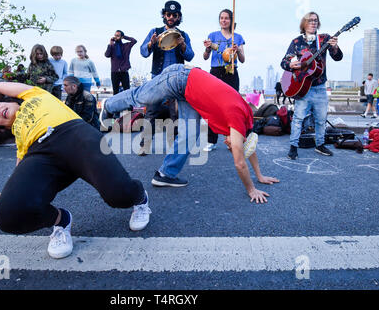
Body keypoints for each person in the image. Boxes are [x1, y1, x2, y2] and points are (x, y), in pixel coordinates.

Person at [0, 81, 151, 259]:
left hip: (75, 135)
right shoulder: (20, 138)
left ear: (9, 100)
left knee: (119, 196)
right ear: (3, 127)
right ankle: (60, 220)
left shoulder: (33, 94)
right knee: (8, 215)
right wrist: (9, 194)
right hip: (41, 154)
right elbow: (19, 166)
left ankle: (139, 197)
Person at [100, 64, 279, 203]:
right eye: (233, 144)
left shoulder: (244, 123)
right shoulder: (236, 121)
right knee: (141, 96)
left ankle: (166, 174)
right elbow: (240, 163)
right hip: (180, 77)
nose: (230, 146)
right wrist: (251, 189)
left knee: (190, 133)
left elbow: (248, 149)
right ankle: (109, 105)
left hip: (189, 90)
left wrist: (260, 176)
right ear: (239, 135)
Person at [280, 12, 343, 160]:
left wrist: (335, 47)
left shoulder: (324, 39)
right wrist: (290, 64)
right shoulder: (296, 42)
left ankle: (320, 145)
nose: (313, 23)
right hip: (302, 86)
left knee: (321, 119)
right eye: (310, 21)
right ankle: (293, 147)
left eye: (315, 21)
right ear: (304, 24)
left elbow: (338, 57)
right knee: (298, 119)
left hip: (320, 87)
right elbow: (284, 62)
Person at [138, 0, 194, 156]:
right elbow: (143, 52)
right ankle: (145, 145)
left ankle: (174, 147)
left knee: (176, 114)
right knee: (151, 112)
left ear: (178, 17)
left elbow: (190, 56)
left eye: (174, 15)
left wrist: (183, 45)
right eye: (168, 14)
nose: (171, 17)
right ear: (164, 15)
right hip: (157, 78)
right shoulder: (155, 31)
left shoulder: (184, 35)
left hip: (176, 79)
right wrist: (150, 44)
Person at [203, 9, 245, 152]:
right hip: (216, 71)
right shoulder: (212, 35)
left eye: (227, 18)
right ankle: (211, 140)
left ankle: (231, 140)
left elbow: (243, 59)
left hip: (231, 72)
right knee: (212, 106)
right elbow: (205, 57)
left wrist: (238, 49)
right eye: (221, 18)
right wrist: (208, 49)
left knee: (232, 107)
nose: (224, 20)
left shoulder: (238, 37)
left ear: (231, 21)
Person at [105, 30, 137, 95]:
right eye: (115, 35)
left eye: (117, 36)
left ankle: (128, 105)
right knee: (115, 91)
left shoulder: (126, 46)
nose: (115, 37)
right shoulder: (112, 46)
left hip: (124, 71)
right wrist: (110, 45)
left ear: (121, 37)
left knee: (127, 90)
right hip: (114, 72)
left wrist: (124, 37)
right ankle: (115, 105)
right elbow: (107, 55)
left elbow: (134, 41)